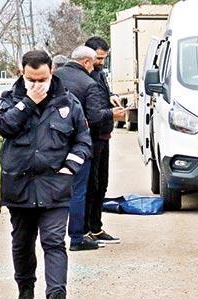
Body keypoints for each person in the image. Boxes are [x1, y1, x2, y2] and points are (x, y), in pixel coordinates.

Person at [0, 50, 91, 299]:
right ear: (21, 73)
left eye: (42, 79)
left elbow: (83, 141)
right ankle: (25, 290)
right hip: (19, 185)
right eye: (31, 79)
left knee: (54, 242)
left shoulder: (68, 103)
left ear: (51, 73)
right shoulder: (9, 101)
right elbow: (1, 126)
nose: (37, 84)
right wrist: (27, 102)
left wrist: (69, 166)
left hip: (55, 186)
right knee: (22, 243)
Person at [55, 46, 114, 252]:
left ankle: (53, 234)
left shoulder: (55, 78)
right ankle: (77, 237)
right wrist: (112, 113)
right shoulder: (89, 83)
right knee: (79, 190)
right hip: (79, 143)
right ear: (87, 62)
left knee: (55, 190)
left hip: (54, 143)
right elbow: (96, 116)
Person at [83, 36, 125, 244]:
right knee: (92, 184)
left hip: (103, 136)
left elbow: (102, 96)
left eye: (104, 58)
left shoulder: (99, 74)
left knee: (102, 184)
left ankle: (96, 227)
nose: (101, 62)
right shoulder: (85, 78)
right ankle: (86, 228)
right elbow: (92, 112)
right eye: (98, 58)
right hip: (92, 138)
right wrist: (111, 114)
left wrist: (112, 96)